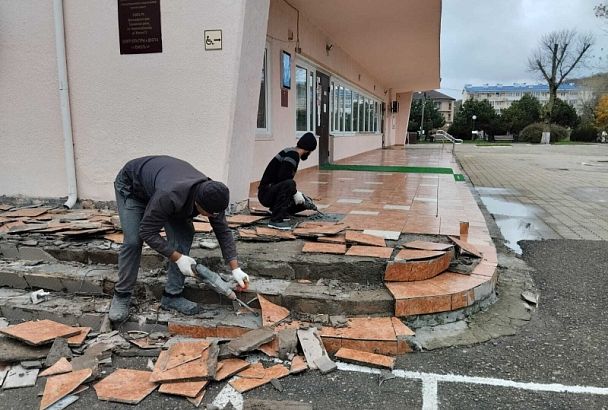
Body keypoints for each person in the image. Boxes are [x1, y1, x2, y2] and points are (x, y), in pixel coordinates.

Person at [109, 155, 249, 322]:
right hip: (132, 187)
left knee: (183, 234)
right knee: (133, 241)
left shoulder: (212, 194)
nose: (213, 217)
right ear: (198, 204)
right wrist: (178, 258)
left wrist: (235, 268)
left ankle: (172, 296)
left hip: (160, 186)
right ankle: (122, 294)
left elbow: (223, 231)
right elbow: (147, 232)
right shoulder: (171, 195)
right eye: (210, 214)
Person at [258, 132, 318, 230]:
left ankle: (277, 211)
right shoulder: (292, 155)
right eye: (311, 152)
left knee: (303, 202)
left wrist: (301, 197)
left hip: (270, 191)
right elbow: (284, 179)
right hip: (266, 194)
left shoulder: (291, 152)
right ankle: (276, 220)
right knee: (290, 184)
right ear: (308, 149)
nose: (310, 154)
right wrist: (295, 193)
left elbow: (282, 181)